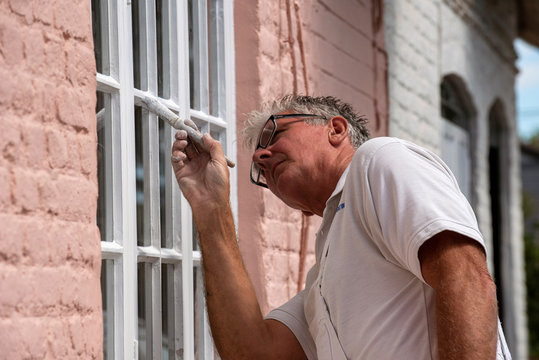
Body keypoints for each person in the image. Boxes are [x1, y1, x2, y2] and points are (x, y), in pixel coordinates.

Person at [171, 95, 511, 359]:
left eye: (274, 133)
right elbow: (254, 352)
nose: (261, 157)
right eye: (258, 169)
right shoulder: (321, 283)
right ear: (303, 211)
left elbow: (465, 279)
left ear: (336, 129)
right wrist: (212, 208)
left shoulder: (377, 160)